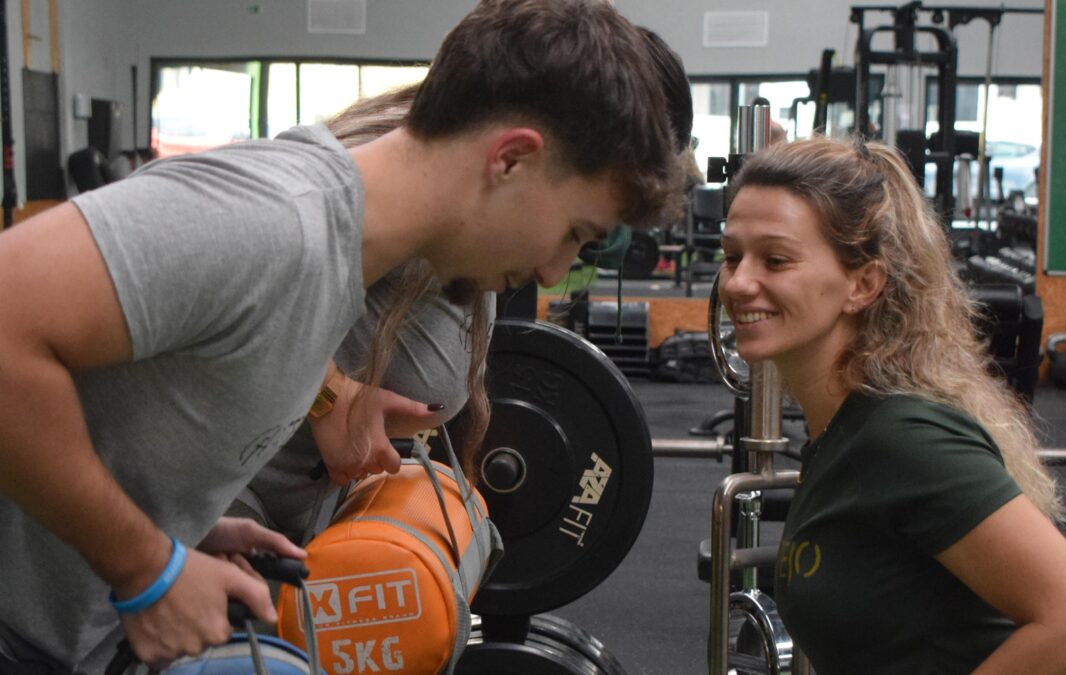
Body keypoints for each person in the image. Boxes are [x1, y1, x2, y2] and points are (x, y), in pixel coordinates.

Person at [0, 0, 688, 670]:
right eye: (575, 233)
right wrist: (145, 566)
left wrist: (181, 525)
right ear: (510, 160)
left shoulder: (344, 261)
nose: (555, 267)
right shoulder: (277, 223)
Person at [717, 135, 1066, 673]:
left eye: (775, 259)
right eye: (731, 257)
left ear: (862, 284)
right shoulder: (840, 433)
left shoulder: (902, 439)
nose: (738, 282)